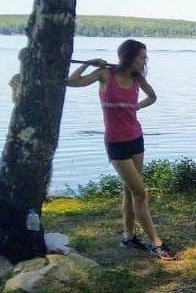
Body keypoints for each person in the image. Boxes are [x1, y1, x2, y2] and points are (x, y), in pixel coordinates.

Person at [67, 39, 178, 260]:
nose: (145, 61)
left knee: (129, 191)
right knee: (140, 192)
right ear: (128, 56)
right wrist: (89, 62)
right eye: (141, 57)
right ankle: (157, 243)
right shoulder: (105, 75)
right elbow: (72, 82)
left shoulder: (138, 79)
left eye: (145, 57)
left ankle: (128, 237)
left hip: (135, 139)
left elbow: (153, 97)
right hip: (116, 143)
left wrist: (136, 106)